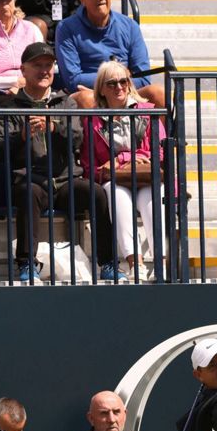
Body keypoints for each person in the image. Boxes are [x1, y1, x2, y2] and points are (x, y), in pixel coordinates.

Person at [0, 42, 118, 282]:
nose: (44, 71)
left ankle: (108, 262)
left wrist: (55, 127)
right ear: (23, 70)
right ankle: (27, 264)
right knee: (29, 193)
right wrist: (22, 136)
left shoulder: (66, 103)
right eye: (37, 65)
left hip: (65, 180)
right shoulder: (8, 107)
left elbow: (78, 139)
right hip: (30, 179)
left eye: (48, 66)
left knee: (97, 193)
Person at [82, 60, 169, 283]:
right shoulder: (92, 119)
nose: (119, 87)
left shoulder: (149, 112)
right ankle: (135, 263)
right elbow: (89, 165)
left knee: (150, 198)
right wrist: (125, 162)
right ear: (101, 88)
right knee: (115, 194)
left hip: (146, 177)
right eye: (112, 83)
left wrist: (121, 158)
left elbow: (159, 155)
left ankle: (161, 262)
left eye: (124, 81)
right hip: (115, 181)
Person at [55, 0, 163, 109]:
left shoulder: (129, 26)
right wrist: (114, 79)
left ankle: (161, 131)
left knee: (158, 92)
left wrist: (117, 84)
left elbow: (144, 78)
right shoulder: (66, 28)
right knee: (86, 98)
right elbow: (73, 80)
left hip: (125, 91)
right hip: (91, 92)